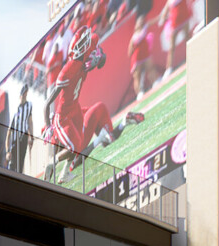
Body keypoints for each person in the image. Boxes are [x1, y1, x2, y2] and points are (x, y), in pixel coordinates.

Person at [42, 26, 145, 183]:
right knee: (77, 147)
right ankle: (55, 164)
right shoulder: (68, 69)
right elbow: (48, 101)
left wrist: (99, 58)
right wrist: (49, 126)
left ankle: (62, 171)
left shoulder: (89, 46)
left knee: (78, 147)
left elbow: (102, 58)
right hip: (65, 115)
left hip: (76, 109)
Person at [8, 84, 35, 174]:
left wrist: (32, 135)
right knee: (13, 164)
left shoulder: (29, 106)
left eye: (25, 94)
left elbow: (30, 121)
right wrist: (7, 150)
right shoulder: (15, 110)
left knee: (21, 162)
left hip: (23, 137)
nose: (24, 96)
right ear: (20, 96)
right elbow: (9, 132)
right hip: (15, 141)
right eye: (23, 94)